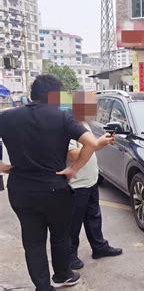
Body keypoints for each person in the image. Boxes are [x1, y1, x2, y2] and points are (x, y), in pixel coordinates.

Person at [0, 75, 115, 291]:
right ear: (54, 95)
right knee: (60, 236)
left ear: (34, 94)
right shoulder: (62, 117)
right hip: (54, 188)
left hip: (21, 189)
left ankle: (42, 287)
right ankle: (62, 275)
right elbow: (91, 144)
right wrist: (74, 169)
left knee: (32, 241)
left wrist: (3, 167)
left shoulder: (7, 117)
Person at [68, 92, 123, 271]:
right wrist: (97, 144)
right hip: (77, 184)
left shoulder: (84, 124)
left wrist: (101, 143)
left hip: (90, 180)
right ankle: (70, 256)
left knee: (93, 217)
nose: (96, 110)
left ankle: (99, 247)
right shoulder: (71, 125)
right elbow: (73, 154)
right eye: (92, 106)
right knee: (73, 222)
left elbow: (90, 148)